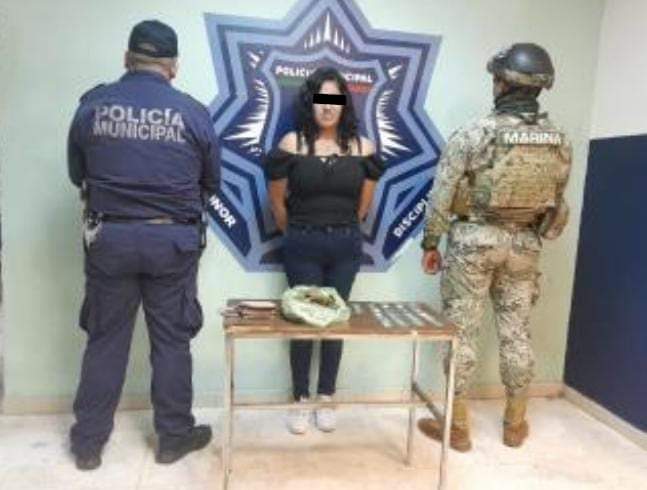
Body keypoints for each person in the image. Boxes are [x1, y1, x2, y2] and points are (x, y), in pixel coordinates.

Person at [67, 20, 220, 469]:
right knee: (172, 342)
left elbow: (77, 174)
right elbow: (211, 182)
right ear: (173, 66)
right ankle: (173, 437)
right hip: (172, 242)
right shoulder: (193, 113)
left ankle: (88, 444)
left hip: (110, 239)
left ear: (126, 58)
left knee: (105, 341)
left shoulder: (93, 106)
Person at [417, 44, 572, 451]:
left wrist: (431, 242)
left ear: (502, 83)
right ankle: (515, 424)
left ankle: (458, 428)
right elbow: (557, 203)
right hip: (523, 246)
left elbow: (442, 195)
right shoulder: (559, 141)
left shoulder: (474, 133)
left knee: (461, 335)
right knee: (516, 334)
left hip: (473, 244)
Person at [264, 67, 385, 434]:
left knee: (335, 321)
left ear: (343, 103)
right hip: (302, 245)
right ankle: (300, 397)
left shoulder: (363, 149)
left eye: (334, 99)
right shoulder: (291, 144)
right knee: (303, 320)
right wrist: (302, 232)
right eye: (321, 99)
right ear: (311, 103)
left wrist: (338, 228)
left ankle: (326, 395)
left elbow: (363, 207)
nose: (327, 107)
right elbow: (277, 204)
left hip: (345, 246)